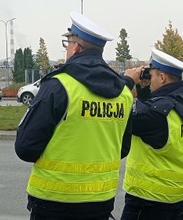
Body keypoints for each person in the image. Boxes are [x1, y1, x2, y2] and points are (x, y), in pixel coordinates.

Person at [15, 11, 133, 220]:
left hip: (54, 203)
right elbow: (122, 149)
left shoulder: (59, 85)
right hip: (101, 202)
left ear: (76, 47)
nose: (66, 48)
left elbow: (25, 148)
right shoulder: (124, 93)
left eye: (67, 42)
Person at [121, 48, 183, 220]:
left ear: (162, 77)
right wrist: (144, 91)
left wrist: (127, 81)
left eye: (151, 76)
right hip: (176, 197)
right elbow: (149, 112)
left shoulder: (156, 114)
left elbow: (119, 113)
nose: (149, 81)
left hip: (148, 200)